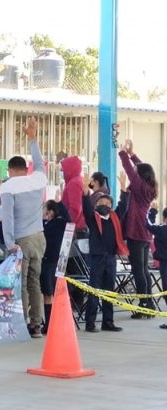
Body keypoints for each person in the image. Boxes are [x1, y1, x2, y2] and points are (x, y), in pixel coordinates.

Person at [0, 117, 47, 338]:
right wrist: (32, 139)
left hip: (21, 240)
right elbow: (38, 163)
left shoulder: (8, 187)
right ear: (24, 168)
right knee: (35, 282)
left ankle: (23, 322)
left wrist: (9, 243)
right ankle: (37, 325)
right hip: (39, 238)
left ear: (10, 170)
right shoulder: (37, 179)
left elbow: (6, 218)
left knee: (22, 284)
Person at [119, 139, 159, 316]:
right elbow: (140, 169)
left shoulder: (140, 185)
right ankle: (148, 304)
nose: (134, 172)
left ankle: (143, 306)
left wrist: (123, 154)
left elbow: (131, 171)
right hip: (145, 233)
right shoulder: (149, 186)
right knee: (144, 270)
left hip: (136, 231)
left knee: (138, 271)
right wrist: (133, 154)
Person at [82, 187, 128, 332]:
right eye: (101, 202)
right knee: (94, 291)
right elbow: (86, 209)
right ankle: (90, 322)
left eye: (108, 203)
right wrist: (85, 194)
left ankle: (108, 322)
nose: (105, 204)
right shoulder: (93, 218)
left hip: (111, 258)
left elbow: (123, 207)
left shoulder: (114, 217)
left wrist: (124, 191)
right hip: (97, 258)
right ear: (96, 205)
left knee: (109, 292)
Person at [40, 200, 70, 333]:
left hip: (51, 261)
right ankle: (53, 322)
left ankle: (51, 323)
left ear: (50, 211)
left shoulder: (55, 224)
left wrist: (60, 203)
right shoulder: (47, 224)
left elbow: (68, 220)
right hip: (53, 261)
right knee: (52, 292)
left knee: (49, 292)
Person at [147, 208, 167, 327]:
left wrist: (152, 211)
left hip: (165, 263)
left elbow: (148, 224)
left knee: (166, 290)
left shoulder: (162, 230)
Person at [60, 155, 86, 232]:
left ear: (69, 168)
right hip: (78, 224)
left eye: (63, 169)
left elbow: (75, 208)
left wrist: (68, 225)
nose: (62, 172)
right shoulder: (78, 180)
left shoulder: (74, 183)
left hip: (76, 227)